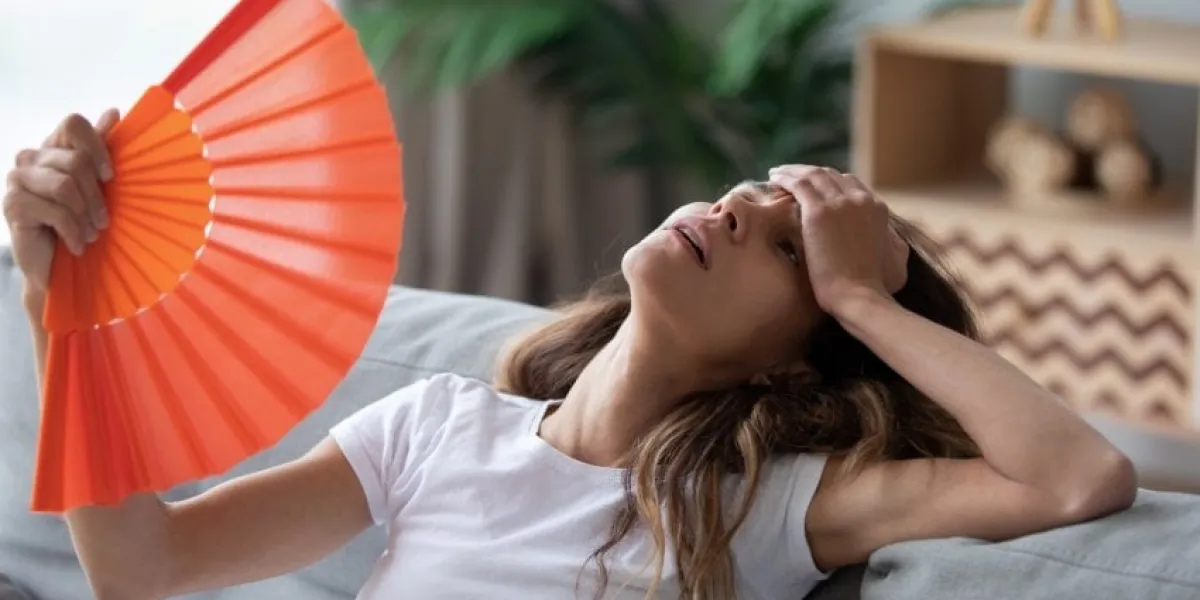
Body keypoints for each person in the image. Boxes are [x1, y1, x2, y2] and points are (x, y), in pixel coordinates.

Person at [4, 112, 1137, 600]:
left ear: (795, 365)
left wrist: (864, 296)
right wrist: (58, 290)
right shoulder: (432, 427)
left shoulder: (763, 503)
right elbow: (142, 570)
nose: (740, 207)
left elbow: (1074, 478)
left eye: (788, 250)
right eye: (755, 192)